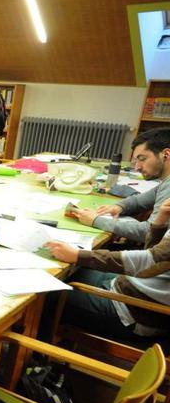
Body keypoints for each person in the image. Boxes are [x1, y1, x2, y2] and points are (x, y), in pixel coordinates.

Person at [44, 198, 170, 341]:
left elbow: (149, 260)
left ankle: (37, 357)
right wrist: (161, 221)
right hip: (128, 288)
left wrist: (77, 255)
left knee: (46, 295)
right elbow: (156, 257)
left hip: (135, 313)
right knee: (69, 274)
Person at [69, 128, 170, 245]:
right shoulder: (166, 183)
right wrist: (119, 206)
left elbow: (149, 232)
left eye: (142, 159)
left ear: (166, 155)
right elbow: (139, 201)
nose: (137, 167)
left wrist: (95, 221)